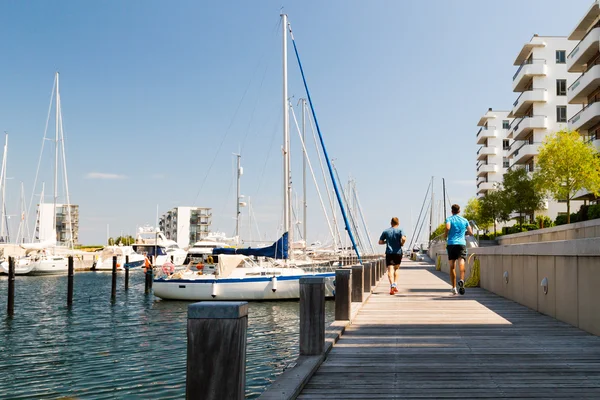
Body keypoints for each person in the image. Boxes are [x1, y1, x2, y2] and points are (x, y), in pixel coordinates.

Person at [445, 204, 473, 295]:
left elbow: (448, 227)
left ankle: (453, 288)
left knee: (452, 266)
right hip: (461, 243)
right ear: (459, 211)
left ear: (452, 211)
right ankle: (461, 280)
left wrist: (446, 234)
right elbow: (470, 232)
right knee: (461, 263)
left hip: (451, 244)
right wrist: (463, 234)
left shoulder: (449, 219)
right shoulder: (464, 220)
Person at [378, 217, 406, 295]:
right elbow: (404, 238)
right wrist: (402, 243)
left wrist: (386, 242)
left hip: (389, 253)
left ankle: (391, 285)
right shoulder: (400, 230)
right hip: (398, 252)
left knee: (390, 270)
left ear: (391, 223)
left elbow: (380, 242)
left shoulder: (386, 231)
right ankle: (395, 284)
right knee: (396, 269)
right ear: (398, 223)